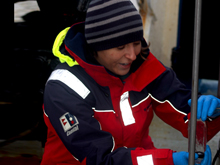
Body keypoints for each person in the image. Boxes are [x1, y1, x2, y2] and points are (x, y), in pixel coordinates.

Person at [41, 0, 220, 165]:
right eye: (120, 48)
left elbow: (185, 112)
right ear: (96, 45)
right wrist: (167, 160)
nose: (132, 55)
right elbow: (99, 158)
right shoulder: (64, 88)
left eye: (135, 43)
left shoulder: (141, 65)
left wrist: (211, 112)